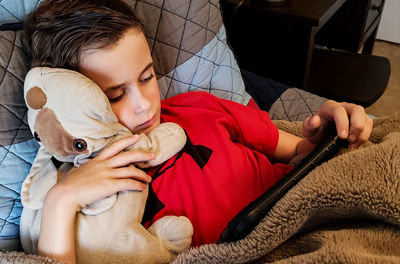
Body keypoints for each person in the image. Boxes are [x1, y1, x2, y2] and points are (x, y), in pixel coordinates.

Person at [23, 0, 373, 263]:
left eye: (147, 78)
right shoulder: (85, 191)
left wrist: (330, 136)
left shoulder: (200, 108)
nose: (145, 105)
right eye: (114, 95)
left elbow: (298, 155)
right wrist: (60, 202)